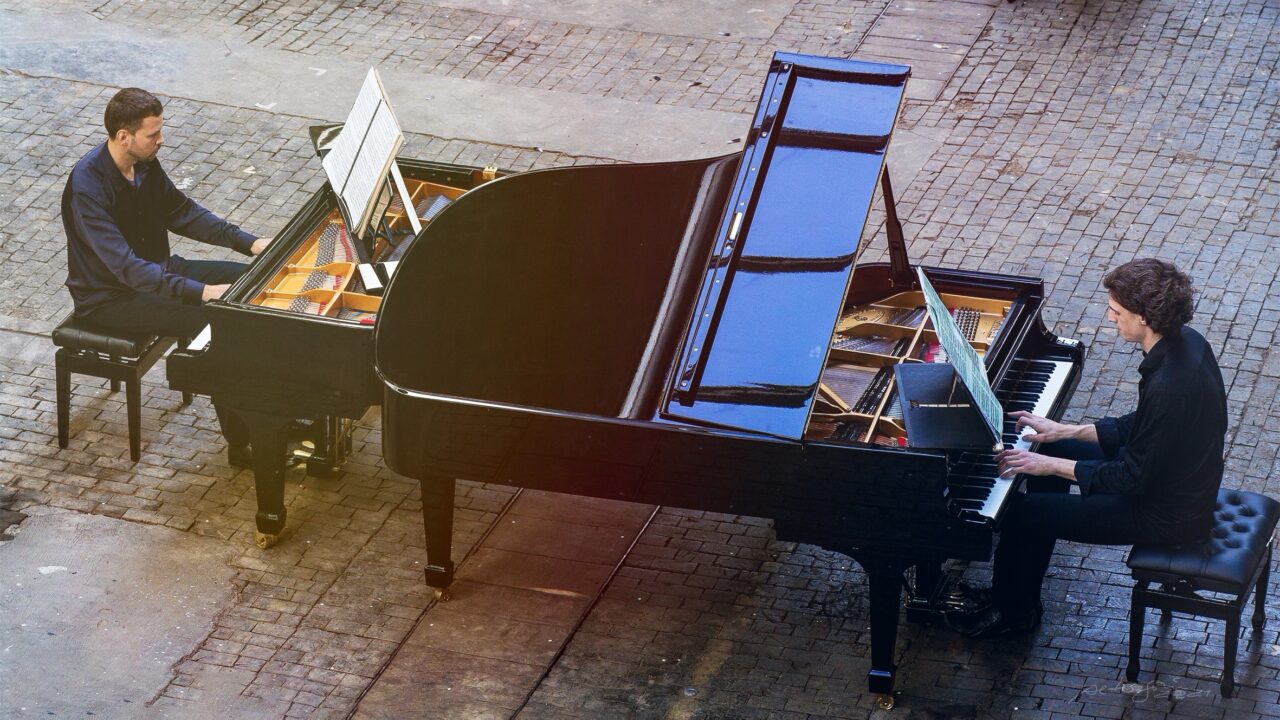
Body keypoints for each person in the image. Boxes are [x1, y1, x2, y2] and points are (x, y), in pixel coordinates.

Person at [948, 258, 1227, 638]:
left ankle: (1013, 613)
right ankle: (1020, 591)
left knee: (1024, 513)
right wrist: (1064, 431)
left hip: (1166, 512)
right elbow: (1143, 424)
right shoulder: (1187, 342)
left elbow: (1131, 478)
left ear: (1144, 317)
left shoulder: (1169, 386)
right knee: (1052, 448)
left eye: (1116, 311)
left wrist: (1048, 466)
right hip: (1169, 478)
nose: (1110, 317)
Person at [62, 87, 272, 464]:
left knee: (252, 281)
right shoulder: (87, 188)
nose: (161, 139)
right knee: (222, 320)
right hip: (112, 299)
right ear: (124, 136)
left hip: (159, 272)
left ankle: (274, 404)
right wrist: (202, 292)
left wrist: (249, 242)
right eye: (153, 133)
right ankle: (244, 440)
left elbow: (181, 212)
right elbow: (128, 269)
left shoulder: (143, 163)